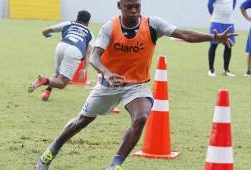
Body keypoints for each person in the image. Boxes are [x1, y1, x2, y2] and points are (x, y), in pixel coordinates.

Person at [35, 0, 237, 169]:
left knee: (141, 117)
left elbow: (183, 34)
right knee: (80, 122)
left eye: (137, 7)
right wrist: (107, 73)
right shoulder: (110, 26)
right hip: (108, 84)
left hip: (137, 85)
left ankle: (115, 165)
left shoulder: (152, 24)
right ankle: (51, 151)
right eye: (129, 7)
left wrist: (214, 37)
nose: (134, 10)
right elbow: (95, 56)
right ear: (119, 6)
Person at [28, 10, 94, 100]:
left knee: (57, 73)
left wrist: (47, 35)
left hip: (62, 46)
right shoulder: (90, 33)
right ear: (88, 22)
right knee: (62, 83)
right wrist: (84, 69)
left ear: (77, 18)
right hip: (75, 50)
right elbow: (88, 51)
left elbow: (45, 31)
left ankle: (47, 92)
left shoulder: (68, 23)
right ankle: (44, 80)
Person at [207, 0, 237, 77]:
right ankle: (211, 69)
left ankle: (226, 70)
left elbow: (233, 4)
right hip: (216, 21)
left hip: (229, 22)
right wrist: (215, 15)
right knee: (213, 45)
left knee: (229, 45)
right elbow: (210, 5)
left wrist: (227, 14)